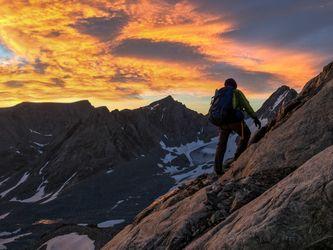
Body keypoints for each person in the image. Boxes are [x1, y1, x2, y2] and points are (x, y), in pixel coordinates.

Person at [214, 78, 261, 175]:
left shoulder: (219, 93)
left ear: (225, 85)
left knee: (221, 145)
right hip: (234, 120)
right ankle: (238, 158)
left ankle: (218, 169)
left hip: (222, 122)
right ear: (235, 85)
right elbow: (246, 105)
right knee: (246, 134)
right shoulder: (236, 92)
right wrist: (255, 117)